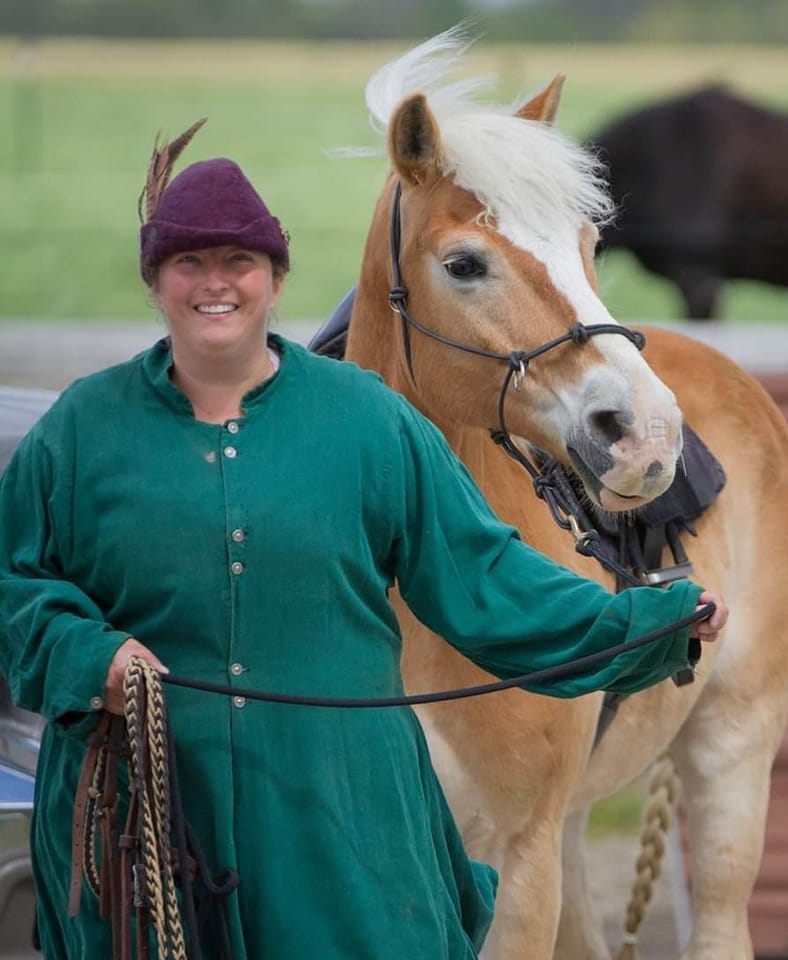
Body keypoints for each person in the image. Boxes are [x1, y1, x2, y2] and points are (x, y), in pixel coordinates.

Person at [0, 126, 727, 960]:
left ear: (276, 279)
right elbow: (15, 584)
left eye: (239, 262)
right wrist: (88, 655)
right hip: (143, 831)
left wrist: (645, 624)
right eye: (188, 262)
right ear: (155, 281)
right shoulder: (81, 430)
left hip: (341, 822)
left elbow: (484, 576)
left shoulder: (369, 422)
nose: (215, 283)